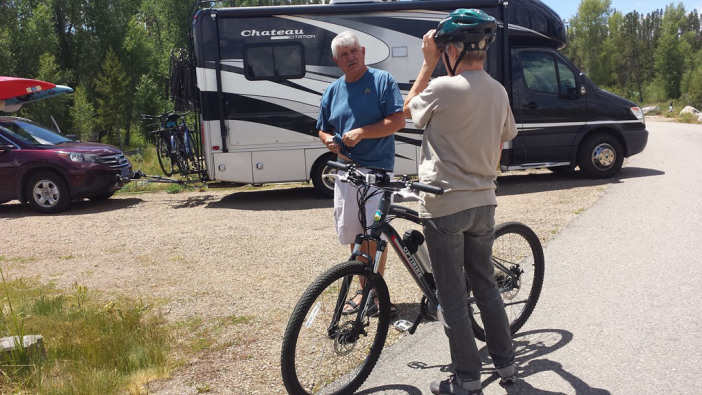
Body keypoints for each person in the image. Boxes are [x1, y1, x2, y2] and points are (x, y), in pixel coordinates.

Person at [403, 9, 518, 395]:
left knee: (453, 296)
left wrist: (427, 64)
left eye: (442, 49)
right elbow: (505, 138)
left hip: (445, 204)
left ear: (452, 48)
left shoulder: (443, 88)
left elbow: (408, 112)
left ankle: (467, 380)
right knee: (485, 286)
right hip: (484, 202)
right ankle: (506, 365)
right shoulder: (499, 90)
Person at [317, 31, 405, 316]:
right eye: (344, 54)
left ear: (363, 51)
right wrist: (327, 140)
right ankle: (362, 290)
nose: (350, 57)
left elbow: (397, 121)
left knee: (374, 235)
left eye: (354, 51)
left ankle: (376, 294)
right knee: (357, 237)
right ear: (336, 61)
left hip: (377, 172)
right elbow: (322, 127)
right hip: (346, 173)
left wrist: (362, 133)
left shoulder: (381, 81)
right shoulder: (332, 90)